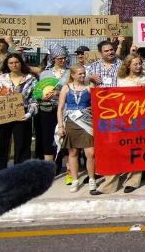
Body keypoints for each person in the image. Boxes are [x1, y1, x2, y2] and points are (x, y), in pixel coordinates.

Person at [95, 53, 145, 195]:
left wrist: (143, 89)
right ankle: (109, 185)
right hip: (121, 118)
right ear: (128, 65)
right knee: (116, 150)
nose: (138, 67)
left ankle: (133, 181)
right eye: (135, 64)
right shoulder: (120, 79)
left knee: (136, 149)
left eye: (140, 64)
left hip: (139, 119)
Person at [0, 53, 37, 173]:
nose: (14, 65)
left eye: (16, 62)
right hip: (3, 113)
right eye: (11, 63)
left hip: (23, 114)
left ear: (21, 63)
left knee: (22, 145)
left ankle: (21, 172)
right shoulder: (1, 78)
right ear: (7, 64)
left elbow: (35, 100)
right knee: (0, 143)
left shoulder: (31, 79)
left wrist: (29, 114)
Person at [57, 64, 97, 193]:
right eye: (80, 74)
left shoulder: (90, 87)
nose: (83, 75)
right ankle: (75, 180)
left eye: (84, 73)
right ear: (73, 75)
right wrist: (61, 126)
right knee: (73, 153)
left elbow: (97, 104)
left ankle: (92, 179)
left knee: (90, 153)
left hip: (87, 122)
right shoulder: (66, 88)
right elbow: (60, 108)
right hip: (71, 122)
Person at [34, 45, 70, 163]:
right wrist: (42, 96)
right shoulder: (44, 74)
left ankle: (68, 167)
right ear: (53, 58)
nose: (63, 60)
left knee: (64, 137)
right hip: (47, 109)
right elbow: (38, 93)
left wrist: (59, 93)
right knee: (48, 137)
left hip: (65, 109)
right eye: (59, 58)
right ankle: (49, 165)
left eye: (64, 57)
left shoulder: (70, 73)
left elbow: (75, 90)